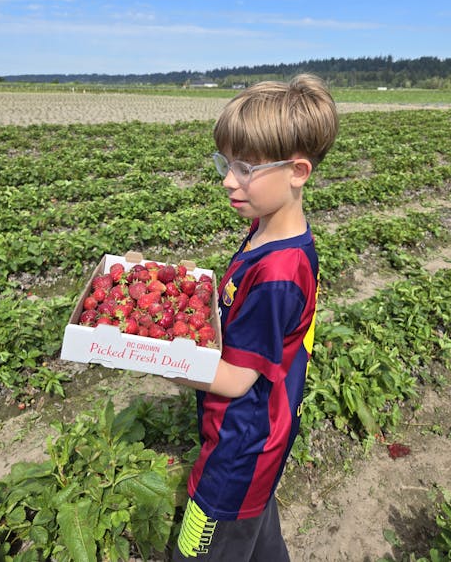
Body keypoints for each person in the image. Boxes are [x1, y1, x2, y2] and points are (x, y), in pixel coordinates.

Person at [169, 74, 339, 561]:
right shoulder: (269, 230)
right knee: (259, 540)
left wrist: (158, 358)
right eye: (226, 162)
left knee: (200, 551)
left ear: (298, 171)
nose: (227, 179)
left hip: (235, 458)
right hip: (262, 440)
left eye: (244, 168)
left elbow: (235, 380)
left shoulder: (279, 273)